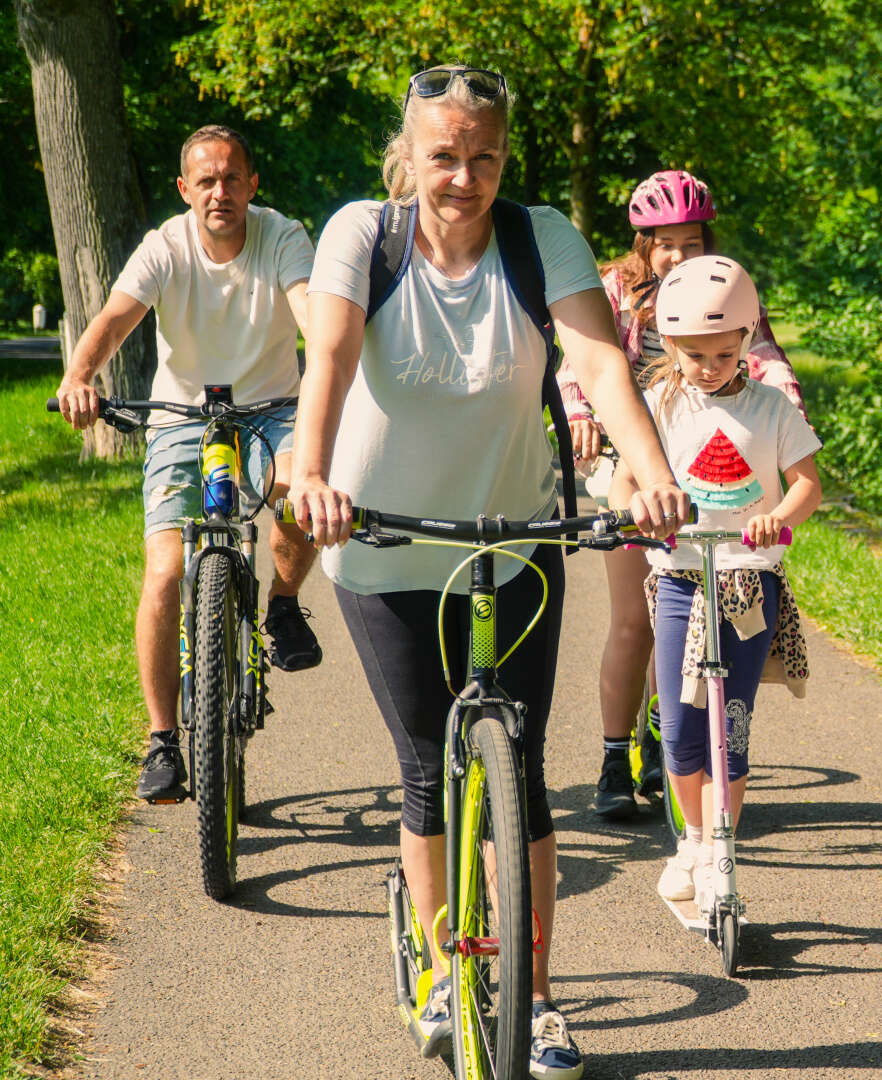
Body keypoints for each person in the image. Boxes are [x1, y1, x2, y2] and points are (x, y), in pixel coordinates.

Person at [285, 65, 687, 1077]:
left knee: (521, 765)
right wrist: (312, 474)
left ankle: (538, 998)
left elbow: (599, 363)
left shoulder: (537, 234)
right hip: (380, 538)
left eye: (485, 157)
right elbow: (327, 361)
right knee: (428, 768)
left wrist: (651, 476)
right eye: (444, 156)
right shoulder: (362, 237)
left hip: (514, 538)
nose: (465, 177)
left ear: (505, 158)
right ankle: (436, 964)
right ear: (410, 154)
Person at [53, 124, 321, 804]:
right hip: (183, 414)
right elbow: (116, 317)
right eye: (206, 181)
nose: (220, 192)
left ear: (252, 183)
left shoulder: (283, 236)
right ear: (184, 190)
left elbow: (312, 315)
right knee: (166, 571)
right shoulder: (165, 247)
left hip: (272, 408)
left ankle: (283, 607)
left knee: (301, 485)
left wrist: (339, 368)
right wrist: (81, 374)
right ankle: (164, 739)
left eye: (233, 178)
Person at [561, 169, 809, 821]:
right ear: (642, 243)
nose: (677, 256)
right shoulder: (615, 287)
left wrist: (783, 400)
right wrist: (580, 411)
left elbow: (765, 354)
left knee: (692, 617)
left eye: (690, 241)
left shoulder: (723, 289)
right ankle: (617, 755)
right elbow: (579, 358)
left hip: (704, 452)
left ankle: (666, 744)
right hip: (632, 455)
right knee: (633, 618)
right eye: (663, 243)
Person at [608, 255, 821, 912]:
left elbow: (808, 484)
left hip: (748, 587)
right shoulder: (657, 407)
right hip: (678, 582)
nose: (708, 366)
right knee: (680, 726)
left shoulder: (772, 409)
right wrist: (634, 509)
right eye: (694, 353)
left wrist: (777, 522)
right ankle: (692, 838)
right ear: (669, 344)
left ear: (746, 342)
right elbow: (625, 479)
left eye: (724, 354)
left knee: (732, 721)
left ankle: (722, 840)